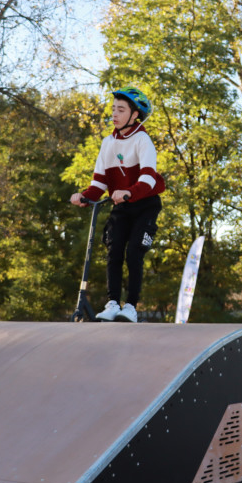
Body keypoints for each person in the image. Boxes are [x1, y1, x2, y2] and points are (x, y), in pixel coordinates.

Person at [71, 87, 165, 322]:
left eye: (121, 110)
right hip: (121, 205)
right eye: (114, 109)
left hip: (145, 204)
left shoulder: (143, 140)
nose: (115, 113)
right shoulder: (107, 143)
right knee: (113, 251)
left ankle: (131, 307)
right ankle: (112, 303)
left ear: (135, 115)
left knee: (134, 252)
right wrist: (84, 196)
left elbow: (148, 179)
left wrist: (127, 193)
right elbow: (99, 183)